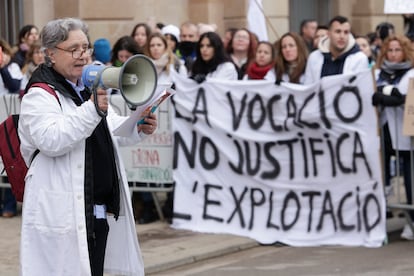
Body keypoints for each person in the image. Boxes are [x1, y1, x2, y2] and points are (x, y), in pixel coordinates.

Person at [18, 17, 157, 275]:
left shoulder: (85, 89)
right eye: (74, 49)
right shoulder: (40, 94)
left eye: (86, 47)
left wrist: (137, 126)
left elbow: (112, 128)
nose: (83, 55)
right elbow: (51, 139)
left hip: (97, 213)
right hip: (64, 216)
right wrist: (92, 109)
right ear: (50, 54)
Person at [371, 35, 414, 240]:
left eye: (398, 50)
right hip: (384, 131)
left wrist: (394, 97)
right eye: (390, 50)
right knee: (382, 176)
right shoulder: (378, 73)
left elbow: (407, 98)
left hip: (406, 136)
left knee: (410, 178)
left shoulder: (411, 73)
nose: (394, 54)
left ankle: (411, 220)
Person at [304, 15, 368, 84]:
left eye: (346, 32)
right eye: (338, 32)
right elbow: (308, 86)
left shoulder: (359, 58)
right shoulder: (314, 57)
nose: (342, 36)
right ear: (328, 34)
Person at [0, 38, 23, 218]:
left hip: (6, 122)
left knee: (7, 159)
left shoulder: (12, 68)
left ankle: (9, 203)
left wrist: (2, 68)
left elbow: (14, 87)